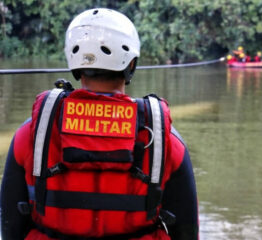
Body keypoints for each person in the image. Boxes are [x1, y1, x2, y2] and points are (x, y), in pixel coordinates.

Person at [1, 8, 198, 240]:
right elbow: (186, 231)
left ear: (75, 64)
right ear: (131, 65)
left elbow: (11, 225)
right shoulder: (165, 140)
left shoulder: (32, 134)